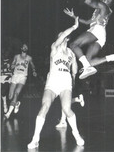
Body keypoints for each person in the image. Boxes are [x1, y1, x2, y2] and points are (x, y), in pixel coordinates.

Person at [27, 17, 84, 149]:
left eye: (63, 36)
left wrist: (74, 77)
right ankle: (35, 138)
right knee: (44, 107)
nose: (61, 37)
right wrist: (75, 26)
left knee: (66, 108)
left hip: (65, 81)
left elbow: (74, 70)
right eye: (60, 35)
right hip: (52, 80)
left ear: (67, 39)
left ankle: (76, 134)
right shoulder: (54, 48)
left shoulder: (71, 54)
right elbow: (64, 33)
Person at [64, 0, 114, 79]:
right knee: (89, 61)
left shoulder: (104, 6)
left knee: (73, 45)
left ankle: (86, 67)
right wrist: (74, 16)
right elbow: (87, 22)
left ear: (110, 0)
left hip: (97, 30)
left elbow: (87, 1)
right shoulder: (100, 10)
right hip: (100, 34)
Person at [4, 43, 37, 119]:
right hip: (15, 75)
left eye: (26, 47)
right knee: (10, 96)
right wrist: (12, 66)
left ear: (27, 49)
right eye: (24, 47)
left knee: (16, 93)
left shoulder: (29, 58)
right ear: (21, 48)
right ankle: (16, 104)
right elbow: (12, 65)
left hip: (23, 77)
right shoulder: (16, 56)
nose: (25, 48)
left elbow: (32, 65)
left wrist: (34, 71)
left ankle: (8, 113)